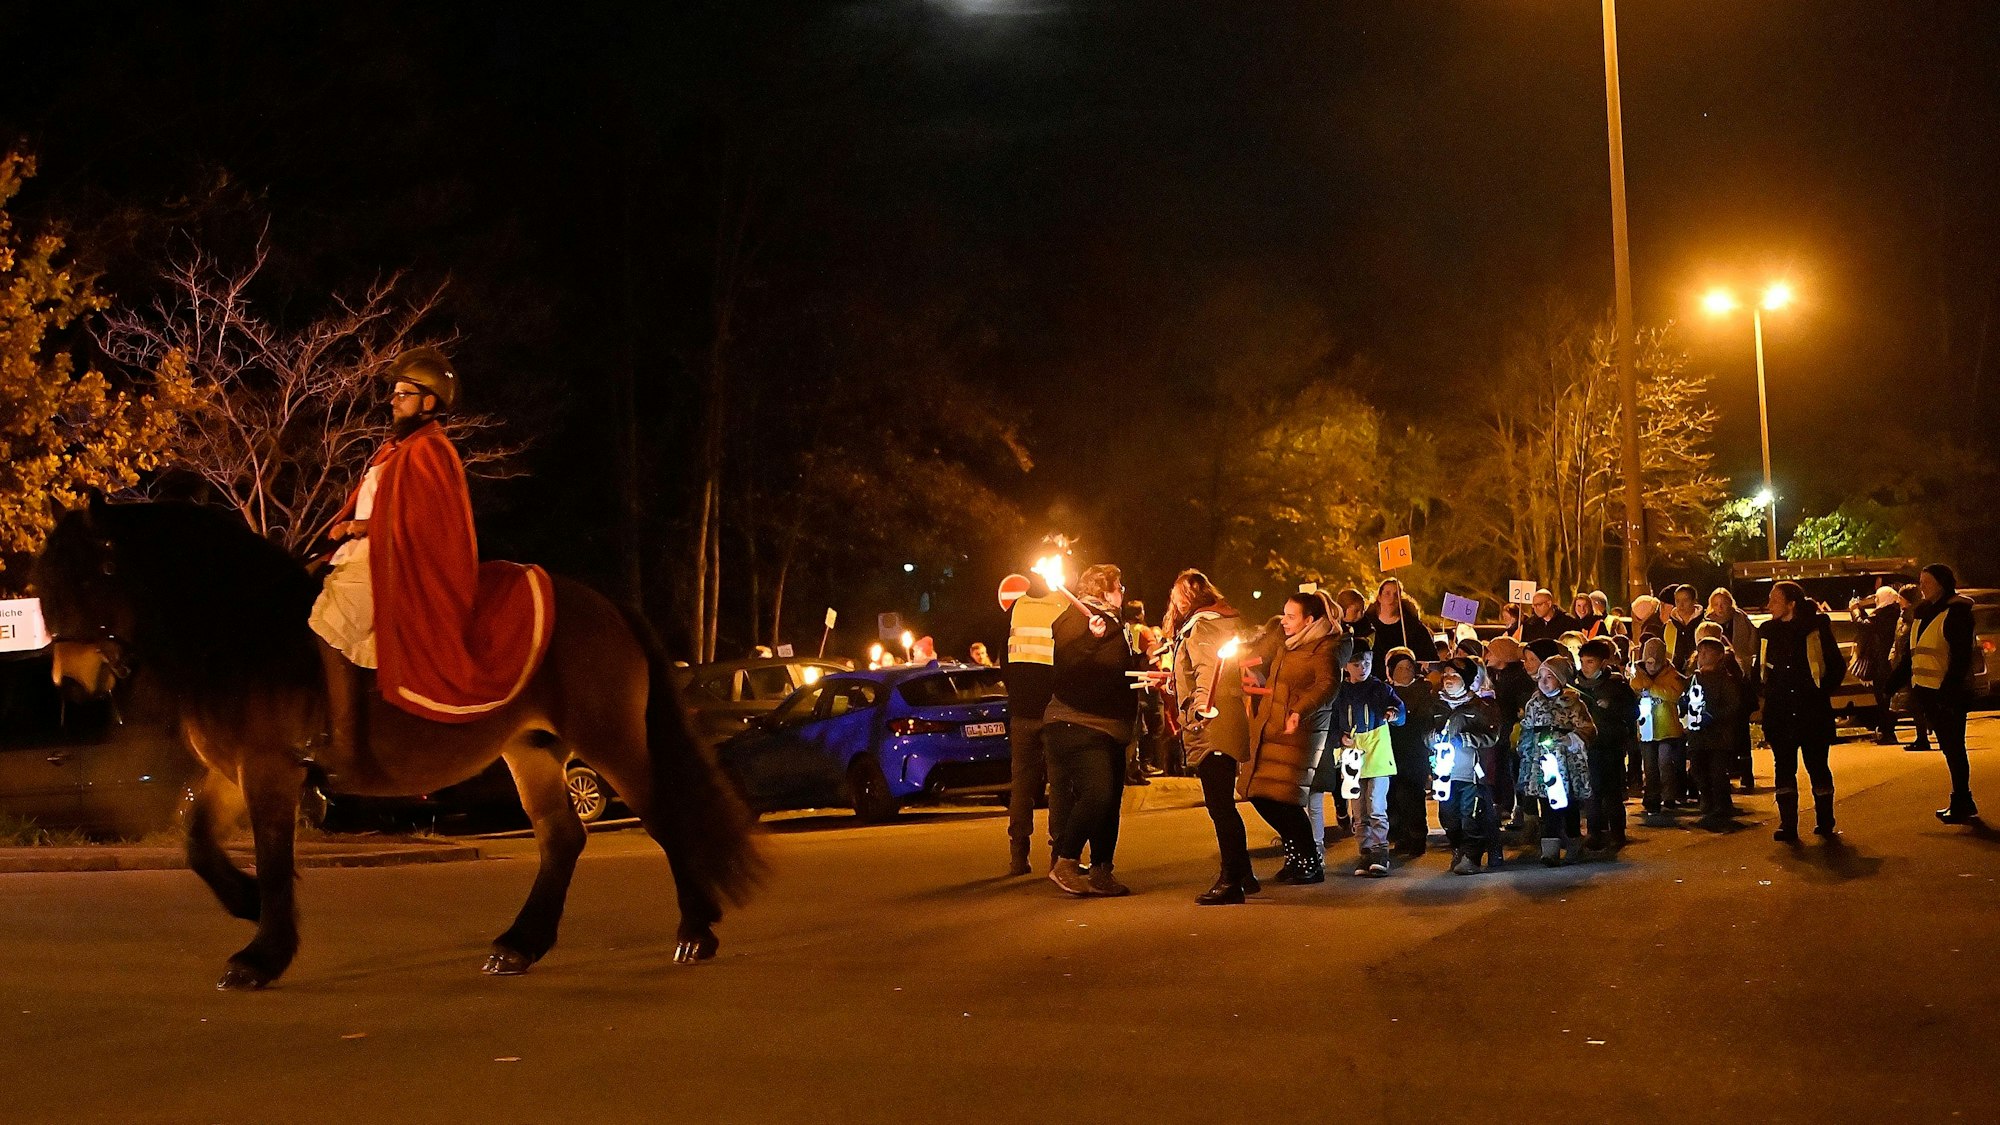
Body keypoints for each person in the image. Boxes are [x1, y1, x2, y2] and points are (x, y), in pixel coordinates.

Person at [310, 346, 553, 760]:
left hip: (391, 565)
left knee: (328, 627)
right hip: (362, 558)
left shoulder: (432, 451)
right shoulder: (392, 452)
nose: (393, 401)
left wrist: (361, 527)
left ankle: (346, 745)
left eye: (403, 394)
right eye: (395, 393)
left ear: (428, 402)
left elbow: (428, 525)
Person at [1043, 564, 1141, 897]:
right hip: (1079, 723)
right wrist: (1091, 638)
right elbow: (1069, 665)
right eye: (1119, 586)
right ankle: (1066, 861)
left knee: (1111, 800)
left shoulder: (1115, 622)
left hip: (1111, 725)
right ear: (1103, 590)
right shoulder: (1077, 619)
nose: (1123, 592)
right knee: (1097, 794)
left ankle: (1102, 869)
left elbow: (1114, 668)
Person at [1168, 570, 1255, 905]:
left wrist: (1200, 706)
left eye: (1176, 593)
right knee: (1221, 804)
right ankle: (1244, 873)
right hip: (1213, 719)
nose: (1172, 600)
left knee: (1220, 806)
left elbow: (1208, 670)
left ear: (1189, 594)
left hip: (1212, 724)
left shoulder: (1204, 625)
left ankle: (1231, 879)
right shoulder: (1208, 623)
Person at [1244, 593, 1340, 884]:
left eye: (1290, 616)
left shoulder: (1324, 648)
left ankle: (1309, 862)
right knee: (1259, 793)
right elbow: (1278, 683)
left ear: (1309, 620)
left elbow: (1327, 685)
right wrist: (1258, 683)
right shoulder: (1290, 645)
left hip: (1300, 734)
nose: (1284, 621)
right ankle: (1297, 856)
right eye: (1283, 614)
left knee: (1285, 800)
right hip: (1274, 731)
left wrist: (1299, 710)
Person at [1888, 564, 1981, 823]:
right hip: (1929, 694)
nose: (1922, 586)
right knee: (1950, 748)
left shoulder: (1957, 613)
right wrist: (1892, 683)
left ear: (1941, 583)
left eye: (1926, 581)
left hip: (1948, 695)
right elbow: (1912, 654)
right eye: (1920, 581)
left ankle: (1962, 801)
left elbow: (1960, 659)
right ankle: (1962, 800)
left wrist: (1948, 694)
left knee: (1954, 748)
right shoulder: (1923, 612)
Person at [1756, 581, 1844, 842]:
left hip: (1811, 712)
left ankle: (1825, 820)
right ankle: (1788, 824)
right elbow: (1759, 668)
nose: (1769, 605)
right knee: (1783, 768)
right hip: (1780, 712)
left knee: (1817, 766)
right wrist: (1764, 693)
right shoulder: (1767, 631)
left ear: (1791, 603)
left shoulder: (1816, 629)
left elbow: (1835, 665)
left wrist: (1819, 691)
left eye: (1775, 600)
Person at [1003, 571, 1069, 876]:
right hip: (1054, 709)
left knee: (1022, 785)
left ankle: (1019, 854)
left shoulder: (1015, 608)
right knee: (1059, 784)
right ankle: (1058, 854)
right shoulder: (1063, 605)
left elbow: (1004, 660)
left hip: (1021, 710)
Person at [1515, 655, 1597, 866]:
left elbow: (1588, 728)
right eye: (1541, 676)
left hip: (1566, 764)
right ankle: (1549, 849)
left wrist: (1572, 739)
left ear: (1561, 679)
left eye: (1549, 676)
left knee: (1567, 805)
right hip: (1542, 763)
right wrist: (1525, 749)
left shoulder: (1572, 703)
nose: (1543, 680)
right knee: (1547, 805)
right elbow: (1526, 729)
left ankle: (1573, 841)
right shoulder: (1534, 703)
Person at [1332, 640, 1404, 876]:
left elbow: (1399, 708)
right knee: (1358, 807)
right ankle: (1364, 852)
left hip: (1378, 755)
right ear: (1346, 666)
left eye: (1367, 662)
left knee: (1376, 804)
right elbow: (1331, 722)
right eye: (1356, 663)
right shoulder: (1340, 692)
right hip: (1352, 757)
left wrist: (1393, 713)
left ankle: (1380, 851)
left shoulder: (1379, 688)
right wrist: (1339, 738)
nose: (1362, 667)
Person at [1432, 659, 1503, 874]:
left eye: (1454, 676)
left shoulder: (1481, 708)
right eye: (1446, 676)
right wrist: (1433, 738)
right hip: (1445, 775)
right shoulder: (1437, 706)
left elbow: (1492, 735)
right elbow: (1425, 732)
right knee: (1448, 816)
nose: (1448, 680)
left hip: (1471, 774)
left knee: (1471, 815)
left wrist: (1467, 739)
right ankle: (1458, 848)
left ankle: (1471, 856)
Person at [1572, 637, 1636, 852]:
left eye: (1590, 662)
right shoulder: (1574, 685)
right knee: (1591, 790)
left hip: (1610, 745)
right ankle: (1594, 832)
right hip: (1585, 747)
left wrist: (1611, 707)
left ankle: (1617, 831)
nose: (1585, 667)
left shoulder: (1615, 685)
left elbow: (1632, 712)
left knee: (1611, 790)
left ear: (1603, 663)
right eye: (1582, 661)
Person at [1681, 636, 1743, 828]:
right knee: (1697, 768)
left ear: (1718, 656)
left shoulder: (1725, 680)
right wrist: (1683, 705)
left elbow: (1733, 705)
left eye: (1707, 652)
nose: (1702, 656)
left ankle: (1721, 803)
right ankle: (1706, 797)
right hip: (1697, 735)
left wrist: (1712, 715)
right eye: (1700, 652)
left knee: (1717, 770)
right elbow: (1686, 698)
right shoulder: (1694, 679)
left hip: (1718, 736)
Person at [1383, 647, 1439, 857]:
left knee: (1411, 797)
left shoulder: (1424, 691)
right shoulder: (1385, 691)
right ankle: (1401, 836)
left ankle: (1417, 837)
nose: (1405, 671)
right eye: (1399, 667)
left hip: (1414, 751)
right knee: (1393, 797)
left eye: (1408, 667)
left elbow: (1427, 718)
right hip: (1390, 751)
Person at [1704, 588, 1761, 790]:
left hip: (1738, 676)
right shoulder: (1706, 623)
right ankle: (1726, 772)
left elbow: (1752, 646)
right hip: (1715, 681)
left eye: (1724, 603)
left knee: (1741, 729)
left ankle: (1746, 773)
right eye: (1716, 603)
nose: (1720, 608)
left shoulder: (1741, 620)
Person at [1630, 637, 1685, 821]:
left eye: (1656, 662)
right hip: (1646, 731)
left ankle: (1669, 795)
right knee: (1650, 766)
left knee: (1665, 764)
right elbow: (1632, 688)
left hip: (1667, 729)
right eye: (1649, 662)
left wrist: (1652, 689)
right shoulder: (1637, 674)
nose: (1652, 666)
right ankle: (1652, 797)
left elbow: (1675, 693)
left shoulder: (1671, 674)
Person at [1850, 586, 1901, 745]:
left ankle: (1888, 733)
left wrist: (1855, 611)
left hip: (1883, 663)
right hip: (1887, 662)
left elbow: (1864, 625)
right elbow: (1870, 623)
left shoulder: (1886, 615)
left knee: (1884, 699)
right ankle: (1887, 731)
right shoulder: (1891, 613)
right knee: (1885, 699)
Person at [1892, 584, 1934, 751]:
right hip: (1907, 664)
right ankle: (1923, 735)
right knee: (1915, 704)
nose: (1898, 601)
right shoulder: (1903, 616)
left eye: (1901, 598)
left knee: (1917, 704)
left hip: (1916, 665)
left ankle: (1923, 737)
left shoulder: (1915, 616)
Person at [1360, 579, 1426, 679]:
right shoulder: (1367, 622)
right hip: (1375, 674)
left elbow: (1422, 648)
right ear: (1379, 597)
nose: (1392, 598)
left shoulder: (1410, 623)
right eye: (1387, 593)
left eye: (1396, 594)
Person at [1662, 585, 1706, 672]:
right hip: (1673, 673)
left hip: (1699, 672)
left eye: (1685, 600)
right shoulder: (1668, 626)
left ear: (1694, 601)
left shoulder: (1704, 624)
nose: (1681, 605)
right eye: (1677, 600)